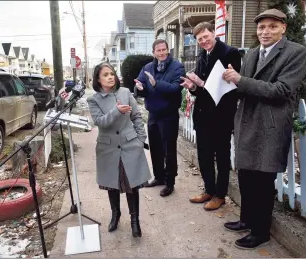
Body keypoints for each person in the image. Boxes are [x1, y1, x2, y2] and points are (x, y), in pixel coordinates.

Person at [222, 9, 306, 249]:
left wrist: (240, 80)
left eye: (272, 26)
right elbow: (245, 87)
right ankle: (247, 220)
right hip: (247, 121)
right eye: (261, 27)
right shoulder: (252, 53)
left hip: (269, 126)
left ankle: (261, 232)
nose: (265, 32)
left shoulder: (296, 53)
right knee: (246, 176)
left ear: (283, 28)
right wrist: (224, 81)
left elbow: (281, 91)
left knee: (262, 181)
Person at [180, 22, 242, 210]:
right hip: (202, 114)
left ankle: (220, 194)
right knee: (204, 155)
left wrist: (203, 83)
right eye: (200, 39)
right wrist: (193, 87)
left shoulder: (230, 53)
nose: (204, 41)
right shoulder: (202, 55)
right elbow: (201, 90)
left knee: (222, 157)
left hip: (222, 114)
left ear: (214, 33)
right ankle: (208, 189)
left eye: (206, 37)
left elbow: (231, 87)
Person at [87, 63, 151, 237]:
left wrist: (140, 140)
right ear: (98, 79)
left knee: (132, 185)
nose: (110, 77)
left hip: (130, 145)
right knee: (112, 186)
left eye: (112, 73)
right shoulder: (93, 100)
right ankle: (115, 214)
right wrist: (116, 111)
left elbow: (136, 116)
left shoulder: (125, 93)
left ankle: (135, 221)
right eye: (105, 74)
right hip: (107, 148)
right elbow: (100, 122)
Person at [135, 39, 185, 197]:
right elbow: (140, 85)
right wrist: (140, 88)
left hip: (169, 115)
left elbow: (175, 89)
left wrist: (156, 84)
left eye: (164, 50)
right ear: (154, 53)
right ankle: (159, 177)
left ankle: (170, 182)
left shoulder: (177, 67)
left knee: (168, 150)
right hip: (153, 114)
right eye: (158, 50)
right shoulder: (148, 67)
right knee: (155, 148)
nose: (162, 53)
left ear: (167, 50)